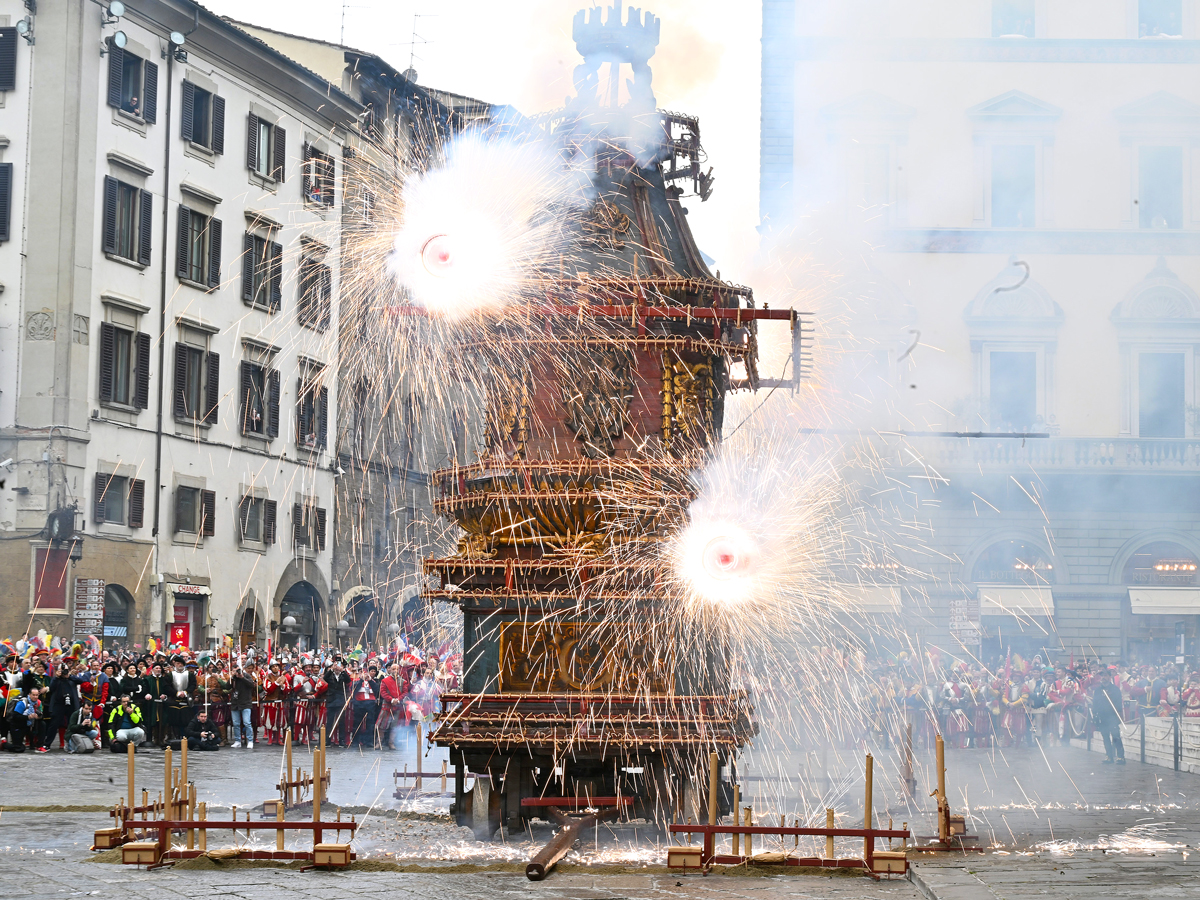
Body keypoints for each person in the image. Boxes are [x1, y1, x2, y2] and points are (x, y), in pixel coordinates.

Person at [1093, 668, 1126, 765]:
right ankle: (1109, 756)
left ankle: (1120, 757)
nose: (1103, 677)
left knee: (1116, 737)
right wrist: (1095, 714)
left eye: (1105, 675)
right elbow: (1095, 703)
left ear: (1109, 677)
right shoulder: (1098, 690)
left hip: (1112, 716)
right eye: (1102, 676)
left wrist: (1116, 716)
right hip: (1102, 717)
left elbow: (1118, 704)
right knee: (1105, 737)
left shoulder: (1115, 689)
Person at [228, 664, 258, 748]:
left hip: (245, 703)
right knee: (236, 723)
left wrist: (242, 677)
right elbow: (227, 686)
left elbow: (251, 685)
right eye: (235, 670)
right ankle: (237, 740)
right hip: (235, 703)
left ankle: (250, 740)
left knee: (247, 722)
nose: (237, 672)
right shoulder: (233, 678)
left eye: (238, 670)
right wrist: (231, 677)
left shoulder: (246, 675)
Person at [167, 656, 196, 741]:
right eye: (177, 663)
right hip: (174, 700)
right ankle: (176, 738)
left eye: (181, 663)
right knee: (174, 721)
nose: (179, 665)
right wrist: (176, 693)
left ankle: (185, 738)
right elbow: (167, 686)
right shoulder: (170, 675)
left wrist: (186, 692)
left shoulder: (189, 674)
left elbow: (193, 685)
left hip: (186, 700)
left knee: (186, 720)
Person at [12, 687, 44, 751]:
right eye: (33, 695)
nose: (35, 697)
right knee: (18, 748)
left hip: (32, 724)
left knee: (42, 724)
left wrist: (38, 717)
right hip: (20, 724)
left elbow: (42, 715)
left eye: (37, 695)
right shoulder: (23, 702)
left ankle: (39, 745)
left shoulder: (38, 703)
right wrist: (28, 717)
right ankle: (4, 745)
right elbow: (15, 716)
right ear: (29, 694)